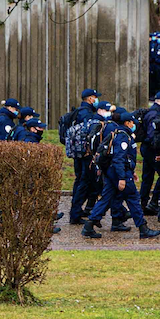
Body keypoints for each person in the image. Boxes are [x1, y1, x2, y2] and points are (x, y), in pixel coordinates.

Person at [82, 113, 160, 240]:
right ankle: (143, 228)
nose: (134, 125)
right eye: (132, 122)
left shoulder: (118, 134)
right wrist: (122, 178)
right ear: (127, 123)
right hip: (120, 172)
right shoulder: (123, 137)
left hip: (113, 172)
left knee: (106, 198)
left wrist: (131, 171)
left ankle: (89, 225)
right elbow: (118, 159)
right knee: (133, 198)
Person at [64, 89, 102, 225]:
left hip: (77, 153)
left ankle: (78, 211)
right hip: (86, 154)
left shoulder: (78, 112)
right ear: (90, 99)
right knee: (85, 182)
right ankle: (76, 213)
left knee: (80, 181)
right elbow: (89, 134)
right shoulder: (87, 114)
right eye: (95, 97)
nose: (96, 100)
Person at [137, 91, 160, 213]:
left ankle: (143, 204)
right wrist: (158, 152)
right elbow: (153, 136)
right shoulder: (155, 115)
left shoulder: (149, 112)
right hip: (152, 149)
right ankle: (154, 202)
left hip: (146, 148)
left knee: (147, 177)